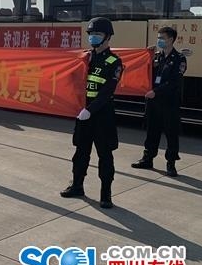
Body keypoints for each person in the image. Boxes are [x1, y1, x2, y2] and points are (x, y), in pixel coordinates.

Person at [60, 17, 123, 209]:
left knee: (105, 155)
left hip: (102, 115)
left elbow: (107, 91)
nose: (93, 37)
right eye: (91, 34)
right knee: (80, 152)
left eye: (98, 34)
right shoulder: (84, 58)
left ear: (108, 37)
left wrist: (90, 110)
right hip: (83, 113)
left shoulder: (114, 62)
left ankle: (106, 194)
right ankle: (77, 186)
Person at [131, 26, 186, 177]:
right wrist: (146, 55)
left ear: (171, 40)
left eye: (162, 38)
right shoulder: (155, 56)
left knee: (171, 133)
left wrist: (156, 92)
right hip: (153, 101)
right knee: (152, 130)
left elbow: (174, 82)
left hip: (169, 102)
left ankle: (171, 163)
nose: (159, 40)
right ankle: (147, 158)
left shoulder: (179, 58)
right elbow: (144, 72)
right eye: (158, 37)